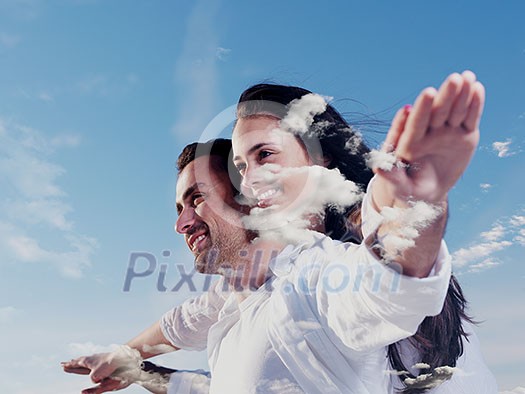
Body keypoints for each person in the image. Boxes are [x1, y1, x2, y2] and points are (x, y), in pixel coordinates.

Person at [63, 72, 496, 393]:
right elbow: (184, 334)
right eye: (242, 167)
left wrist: (408, 213)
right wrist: (131, 362)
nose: (181, 224)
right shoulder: (240, 300)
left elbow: (381, 291)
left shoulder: (318, 273)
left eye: (197, 198)